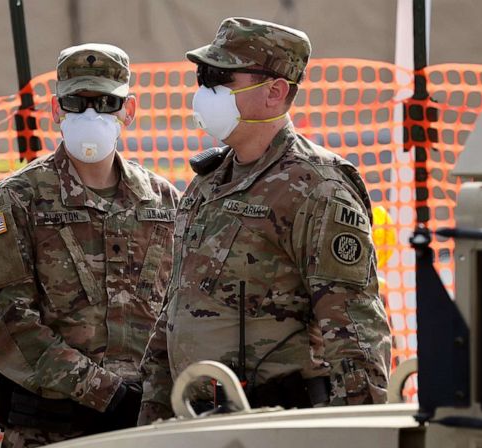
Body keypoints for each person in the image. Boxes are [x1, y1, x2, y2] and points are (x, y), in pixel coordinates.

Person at [139, 18, 391, 424]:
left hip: (276, 427)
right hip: (194, 422)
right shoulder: (207, 185)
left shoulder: (317, 188)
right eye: (203, 77)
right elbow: (175, 312)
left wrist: (358, 444)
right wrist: (151, 416)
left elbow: (355, 332)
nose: (205, 92)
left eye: (221, 78)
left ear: (274, 92)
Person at [0, 43, 180, 448]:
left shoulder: (165, 202)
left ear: (129, 110)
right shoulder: (17, 200)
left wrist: (155, 400)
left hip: (146, 433)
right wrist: (107, 395)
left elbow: (183, 313)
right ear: (56, 110)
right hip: (51, 437)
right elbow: (11, 325)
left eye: (106, 102)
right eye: (77, 102)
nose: (92, 115)